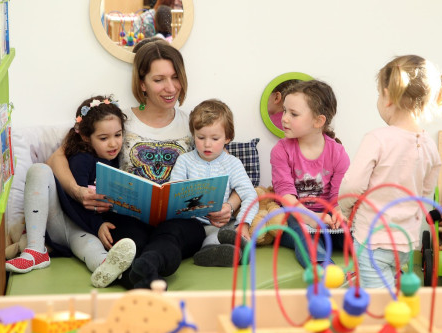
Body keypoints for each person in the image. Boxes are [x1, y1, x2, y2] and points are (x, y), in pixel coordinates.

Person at [47, 40, 240, 289]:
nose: (170, 87)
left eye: (175, 77)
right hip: (128, 218)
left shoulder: (195, 124)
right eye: (159, 79)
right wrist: (77, 190)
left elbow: (233, 170)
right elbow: (56, 158)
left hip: (181, 221)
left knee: (171, 238)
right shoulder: (118, 121)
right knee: (131, 241)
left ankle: (137, 272)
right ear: (142, 84)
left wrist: (229, 206)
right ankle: (147, 275)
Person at [338, 55, 442, 288]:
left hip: (372, 241)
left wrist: (343, 208)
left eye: (378, 94)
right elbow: (424, 198)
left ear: (388, 97)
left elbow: (352, 186)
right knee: (388, 292)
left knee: (376, 303)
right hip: (405, 243)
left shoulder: (377, 139)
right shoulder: (429, 146)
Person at [6, 95, 137, 288]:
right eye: (104, 138)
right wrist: (97, 225)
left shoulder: (114, 160)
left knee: (92, 250)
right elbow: (75, 201)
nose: (113, 144)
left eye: (118, 135)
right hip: (61, 219)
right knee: (39, 170)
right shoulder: (82, 159)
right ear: (85, 136)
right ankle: (35, 249)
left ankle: (106, 268)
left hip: (79, 231)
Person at [164, 99, 259, 267]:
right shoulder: (184, 161)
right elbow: (173, 193)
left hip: (221, 224)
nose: (207, 144)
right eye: (201, 137)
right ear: (193, 135)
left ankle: (232, 249)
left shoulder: (232, 163)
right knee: (208, 237)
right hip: (191, 224)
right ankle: (212, 252)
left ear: (228, 138)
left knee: (224, 233)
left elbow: (250, 194)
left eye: (215, 138)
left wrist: (243, 224)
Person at [270, 80, 350, 268]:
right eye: (284, 111)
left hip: (326, 216)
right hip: (296, 215)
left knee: (353, 231)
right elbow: (286, 197)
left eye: (293, 114)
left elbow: (337, 196)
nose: (284, 118)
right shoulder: (281, 151)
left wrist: (338, 213)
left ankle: (378, 265)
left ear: (318, 121)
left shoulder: (337, 153)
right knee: (304, 234)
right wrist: (312, 219)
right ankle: (323, 267)